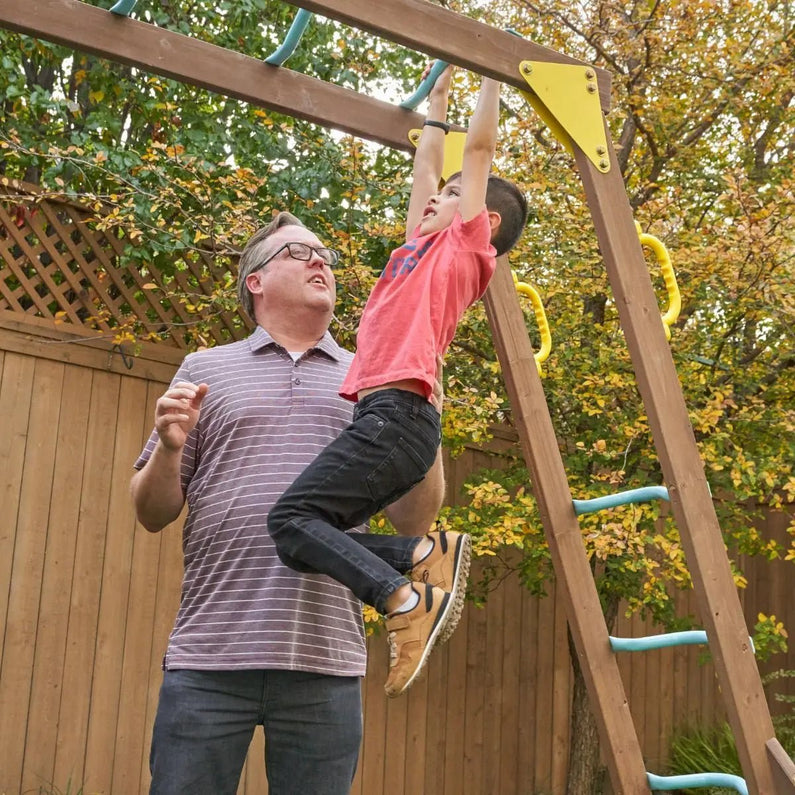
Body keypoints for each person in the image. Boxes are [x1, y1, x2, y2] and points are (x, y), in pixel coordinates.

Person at [130, 209, 449, 794]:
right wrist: (170, 449)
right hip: (209, 656)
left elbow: (413, 519)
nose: (320, 260)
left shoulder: (373, 377)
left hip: (326, 662)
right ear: (255, 280)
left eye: (323, 253)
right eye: (299, 252)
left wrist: (423, 406)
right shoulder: (206, 368)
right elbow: (152, 513)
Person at [267, 65, 529, 698]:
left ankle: (403, 595)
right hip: (387, 420)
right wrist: (436, 103)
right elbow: (425, 170)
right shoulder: (416, 250)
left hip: (400, 416)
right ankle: (415, 560)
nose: (435, 198)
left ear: (481, 218)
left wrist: (491, 70)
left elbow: (481, 151)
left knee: (292, 520)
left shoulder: (468, 251)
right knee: (304, 535)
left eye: (452, 195)